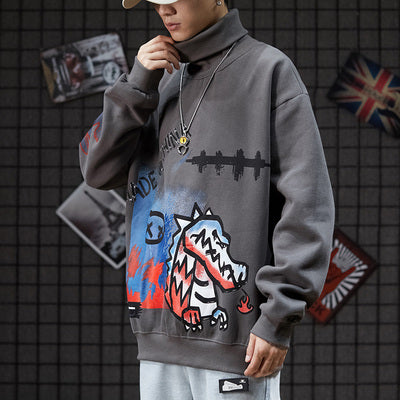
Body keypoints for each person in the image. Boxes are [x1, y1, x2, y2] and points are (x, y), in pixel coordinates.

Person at [79, 0, 335, 398]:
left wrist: (278, 316)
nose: (163, 10)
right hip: (157, 339)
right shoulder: (158, 81)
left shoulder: (269, 70)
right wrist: (135, 86)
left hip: (238, 343)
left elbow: (309, 202)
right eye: (155, 1)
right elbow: (97, 170)